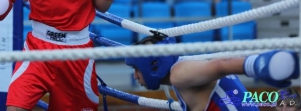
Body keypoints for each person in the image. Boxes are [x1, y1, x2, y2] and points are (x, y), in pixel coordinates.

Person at [125, 34, 300, 111]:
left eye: (136, 69)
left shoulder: (179, 73)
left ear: (152, 65)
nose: (135, 76)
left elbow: (221, 65)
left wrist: (260, 65)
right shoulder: (184, 71)